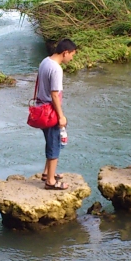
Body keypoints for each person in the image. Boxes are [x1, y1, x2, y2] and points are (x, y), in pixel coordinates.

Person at [35, 39, 77, 190]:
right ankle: (50, 182)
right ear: (65, 53)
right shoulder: (57, 69)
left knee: (50, 141)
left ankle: (47, 173)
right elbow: (54, 95)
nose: (72, 58)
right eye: (72, 55)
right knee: (55, 145)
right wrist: (61, 116)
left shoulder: (45, 61)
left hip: (41, 108)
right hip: (50, 111)